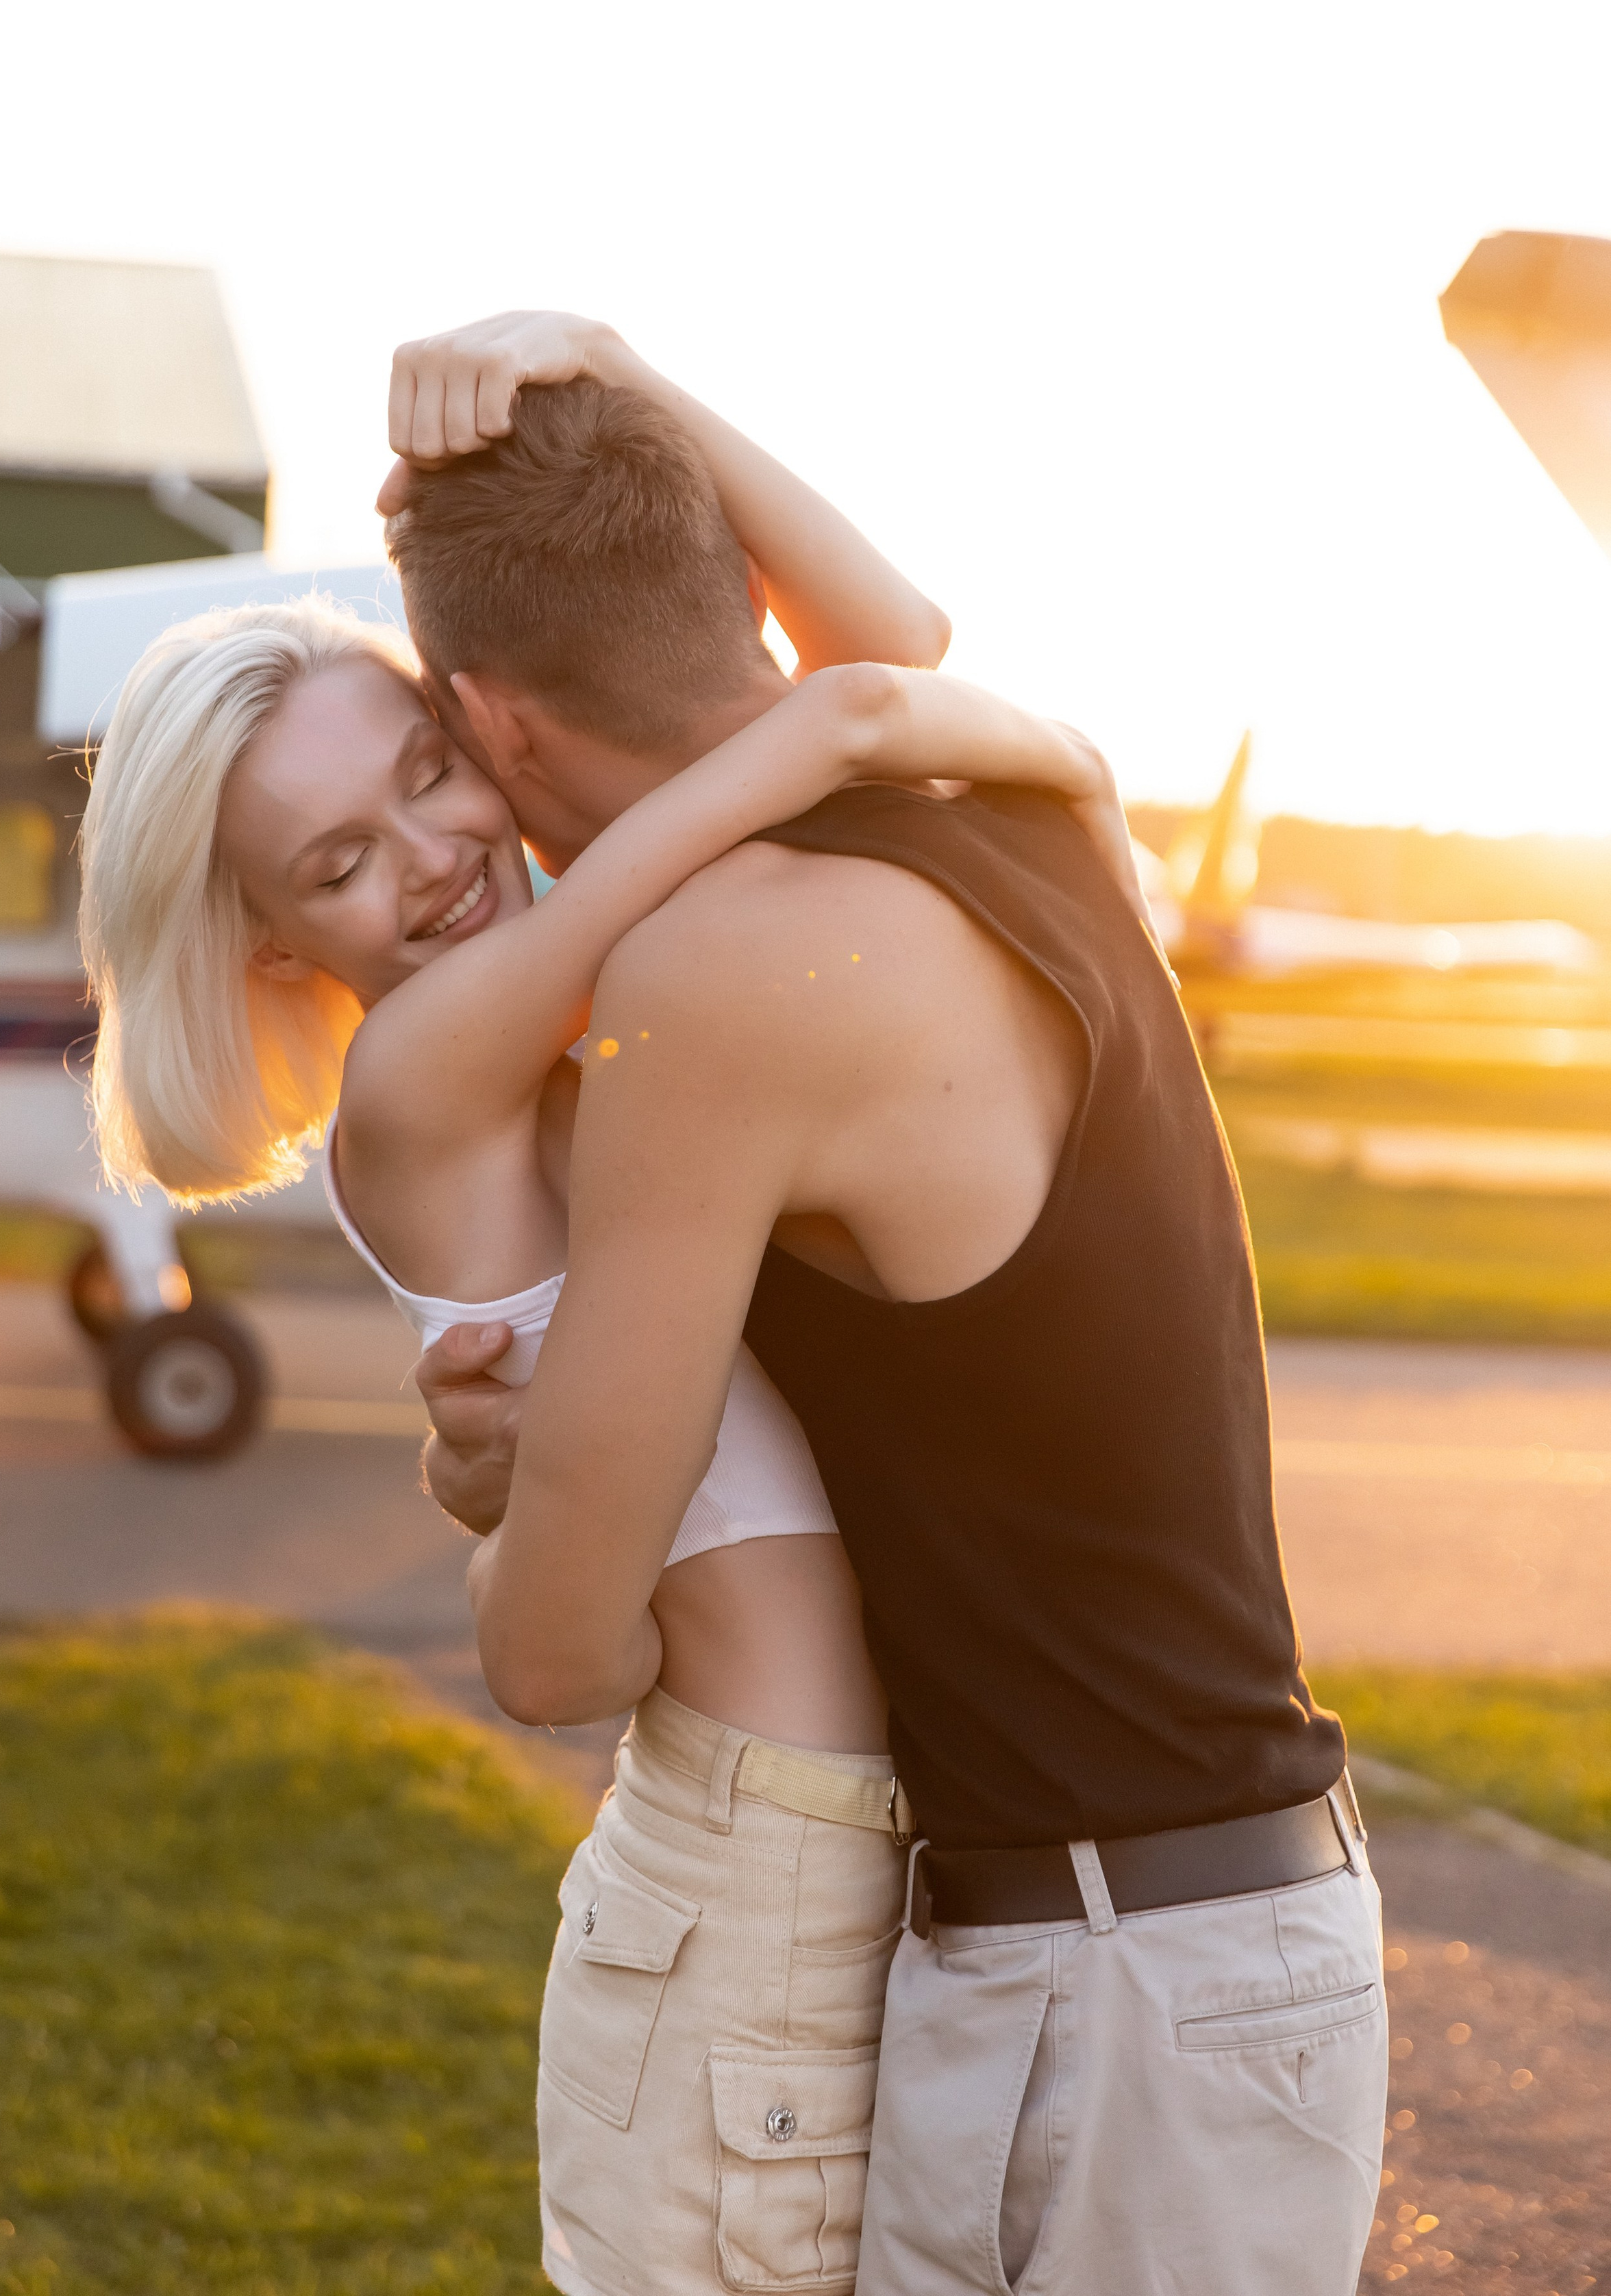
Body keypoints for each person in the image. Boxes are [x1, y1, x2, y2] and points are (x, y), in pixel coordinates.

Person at [77, 353, 1144, 2296]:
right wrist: (883, 725)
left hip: (844, 1855)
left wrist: (622, 379)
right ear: (265, 945)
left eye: (424, 770)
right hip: (750, 1868)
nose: (433, 857)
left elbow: (874, 639)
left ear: (486, 724)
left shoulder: (592, 1008)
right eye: (339, 864)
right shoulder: (423, 1075)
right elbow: (849, 692)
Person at [394, 314, 1390, 2296]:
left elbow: (558, 1655)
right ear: (731, 593)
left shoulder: (718, 977)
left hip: (1102, 1989)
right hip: (1201, 1945)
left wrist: (522, 1481)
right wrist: (613, 374)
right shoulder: (1020, 810)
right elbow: (898, 633)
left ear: (496, 724)